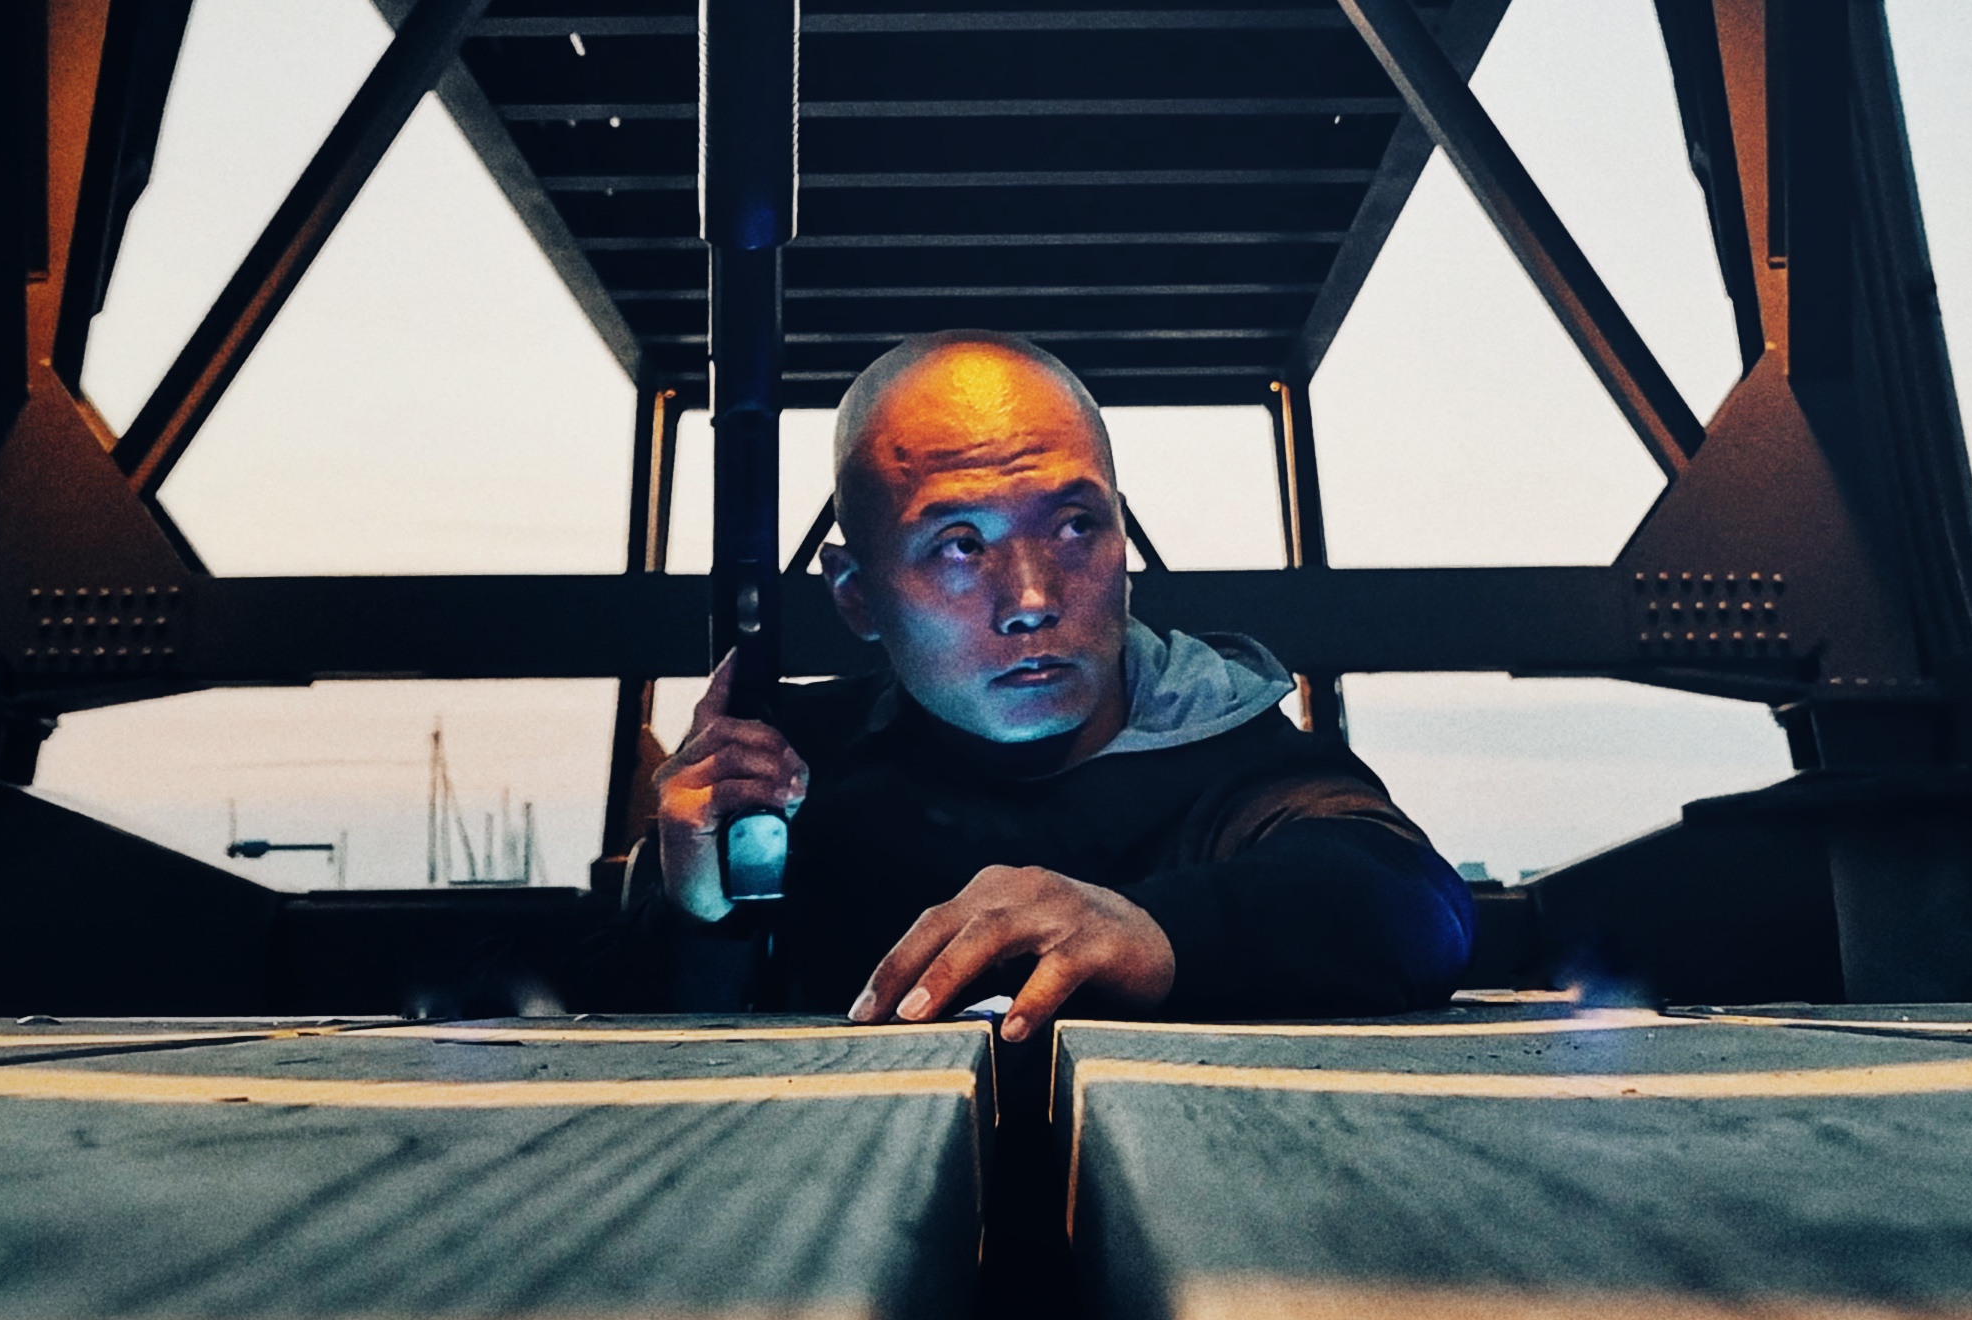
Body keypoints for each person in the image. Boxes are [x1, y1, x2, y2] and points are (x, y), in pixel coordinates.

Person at [621, 333, 1473, 1028]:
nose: (1031, 599)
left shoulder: (1222, 741)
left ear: (1122, 540)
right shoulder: (785, 776)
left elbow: (1406, 900)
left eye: (1073, 525)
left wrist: (1153, 932)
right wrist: (694, 911)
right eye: (960, 544)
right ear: (856, 593)